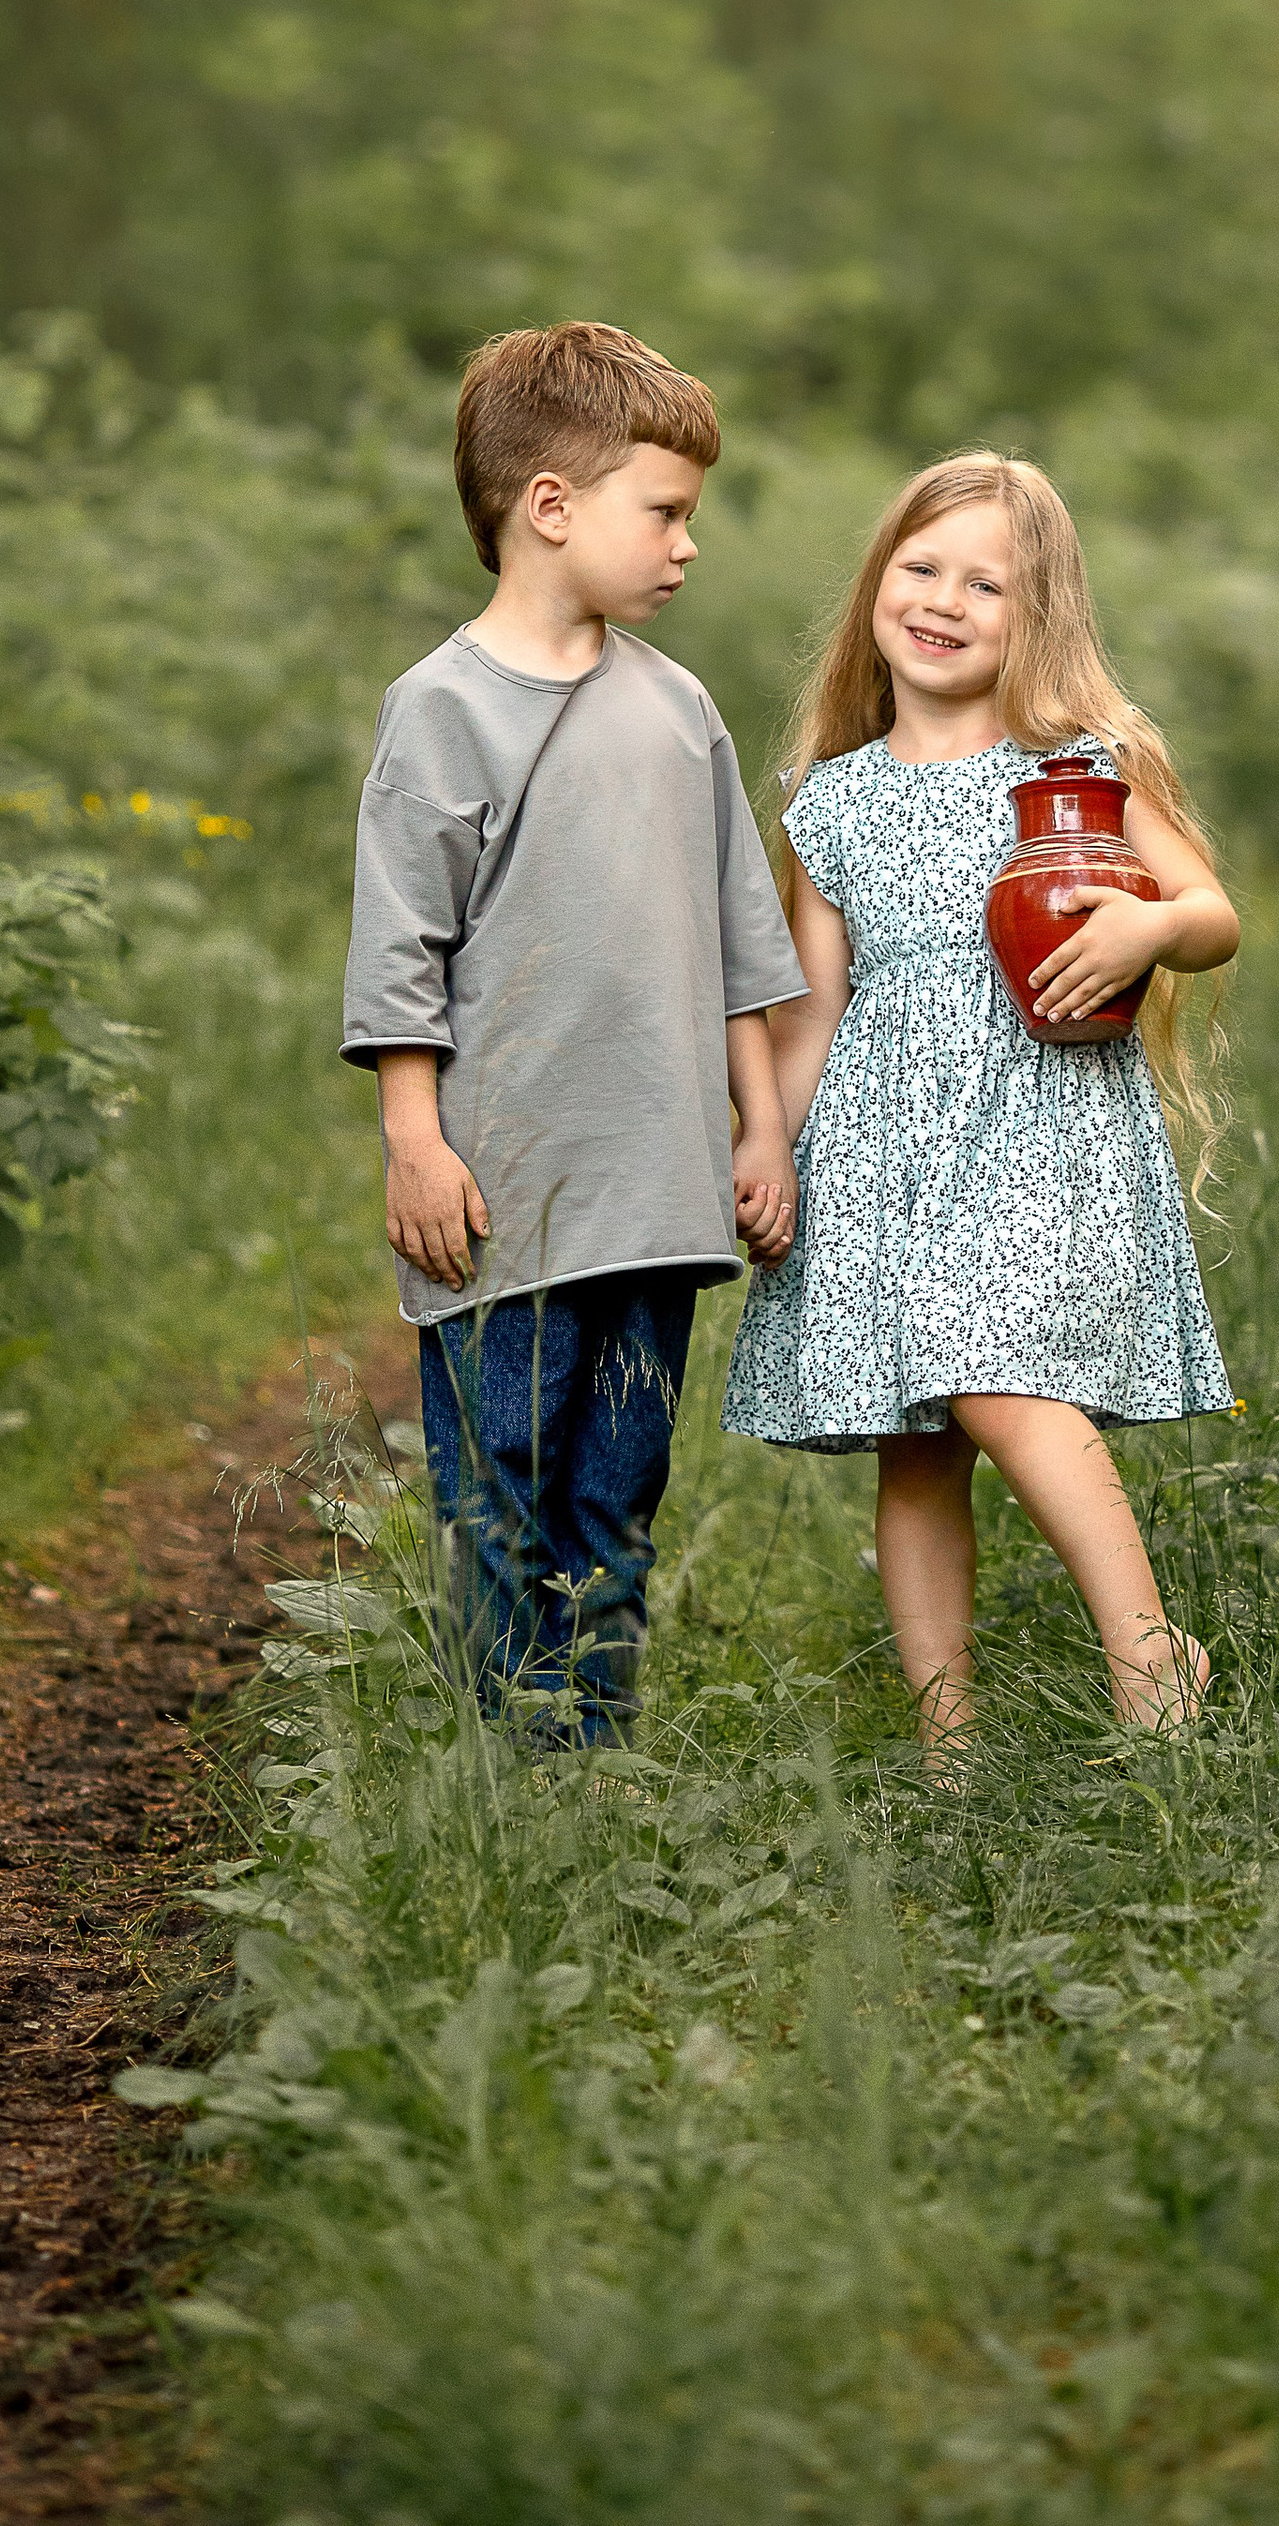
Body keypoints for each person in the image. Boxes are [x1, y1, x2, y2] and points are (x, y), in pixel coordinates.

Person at [721, 452, 1239, 1763]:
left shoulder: (1075, 771)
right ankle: (949, 1748)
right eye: (921, 568)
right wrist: (768, 1144)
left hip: (1041, 1128)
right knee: (919, 1446)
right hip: (885, 1148)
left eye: (986, 584)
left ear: (1037, 616)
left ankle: (1150, 1659)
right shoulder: (833, 801)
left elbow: (1210, 914)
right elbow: (812, 1013)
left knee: (994, 1378)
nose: (944, 601)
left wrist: (1146, 929)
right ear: (876, 584)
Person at [339, 319, 804, 1741]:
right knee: (501, 1490)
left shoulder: (680, 711)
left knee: (616, 1496)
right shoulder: (441, 711)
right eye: (662, 511)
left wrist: (762, 1129)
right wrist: (414, 1140)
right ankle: (505, 1772)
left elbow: (741, 941)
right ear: (549, 505)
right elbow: (401, 953)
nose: (686, 545)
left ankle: (594, 1762)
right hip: (505, 1194)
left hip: (657, 1195)